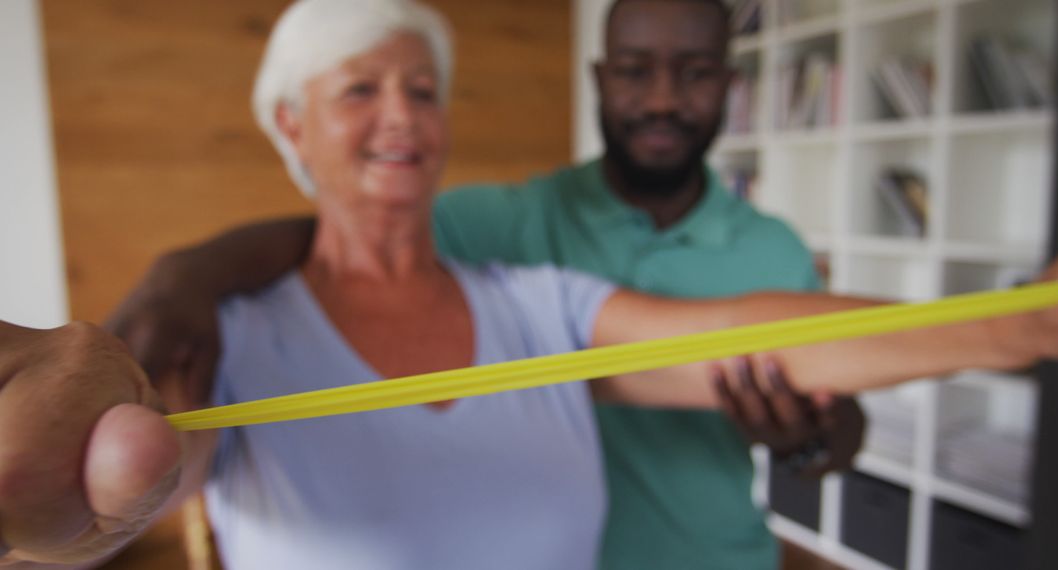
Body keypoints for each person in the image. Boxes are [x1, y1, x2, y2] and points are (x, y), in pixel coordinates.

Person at [7, 1, 1058, 569]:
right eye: (361, 90)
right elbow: (148, 470)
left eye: (423, 90)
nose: (402, 117)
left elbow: (750, 337)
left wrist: (1027, 327)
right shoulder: (236, 327)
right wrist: (78, 496)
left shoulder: (535, 295)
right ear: (291, 125)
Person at [112, 1, 861, 567]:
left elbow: (839, 413)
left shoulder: (774, 248)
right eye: (635, 71)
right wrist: (186, 275)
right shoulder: (497, 223)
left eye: (695, 74)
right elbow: (345, 233)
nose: (663, 99)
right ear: (600, 78)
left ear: (730, 86)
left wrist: (808, 442)